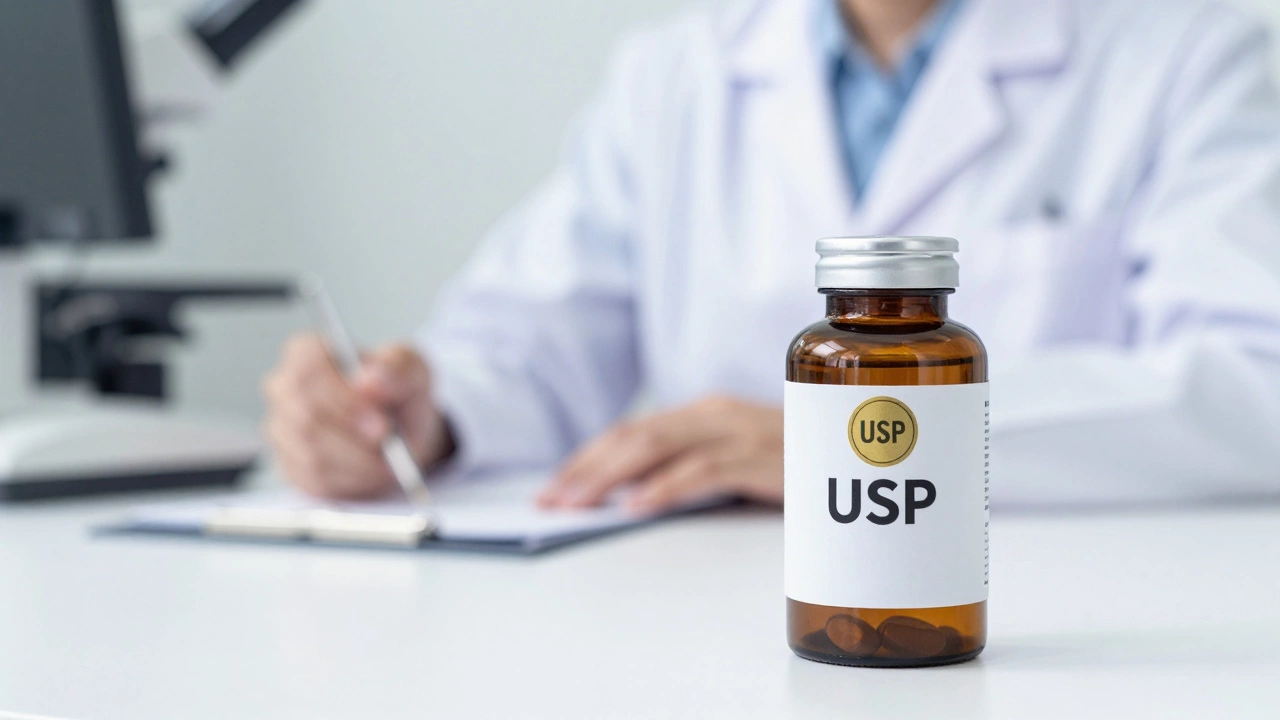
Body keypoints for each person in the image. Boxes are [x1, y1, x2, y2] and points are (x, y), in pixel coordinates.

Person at [263, 0, 1280, 510]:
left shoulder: (1191, 44)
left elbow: (1252, 384)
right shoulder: (682, 67)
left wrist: (855, 438)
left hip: (1053, 622)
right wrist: (416, 419)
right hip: (695, 625)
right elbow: (528, 340)